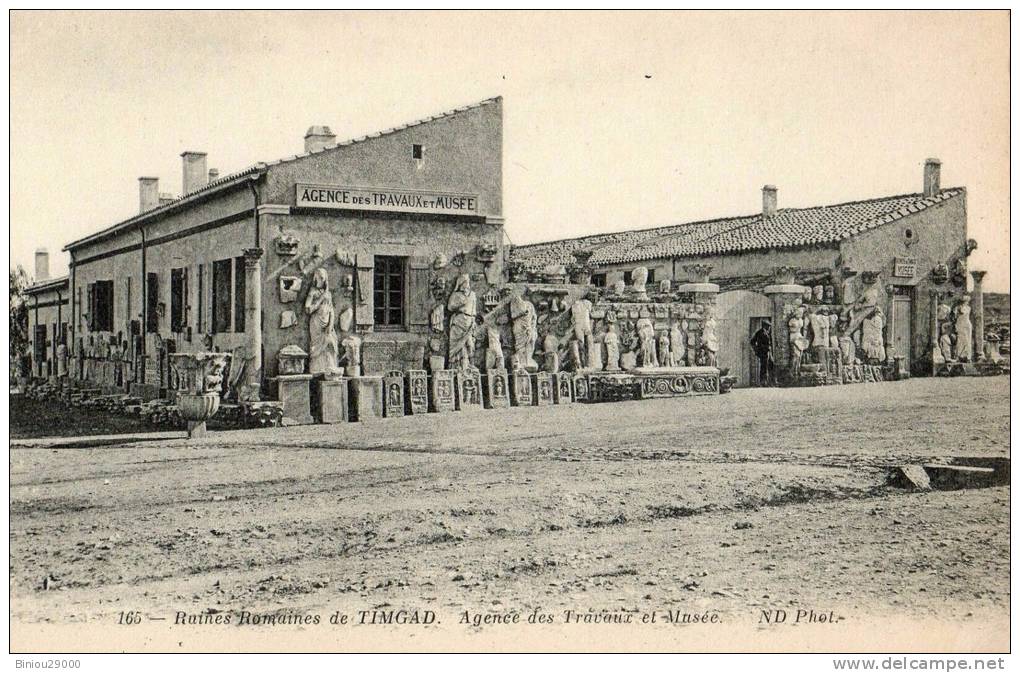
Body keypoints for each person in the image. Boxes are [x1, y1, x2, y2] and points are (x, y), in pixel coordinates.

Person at [750, 320, 775, 386]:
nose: (769, 327)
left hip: (768, 352)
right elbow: (752, 341)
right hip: (763, 352)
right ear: (764, 326)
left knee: (771, 364)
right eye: (768, 326)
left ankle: (770, 381)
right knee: (764, 367)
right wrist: (757, 349)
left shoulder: (767, 332)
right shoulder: (760, 333)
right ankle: (763, 382)